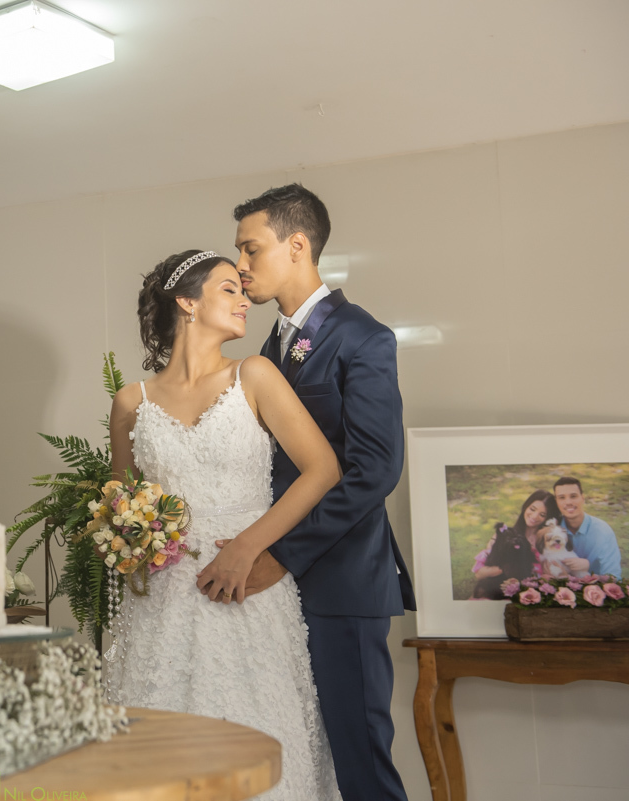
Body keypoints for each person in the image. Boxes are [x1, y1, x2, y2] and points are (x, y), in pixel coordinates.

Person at [105, 249, 344, 800]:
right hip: (161, 600)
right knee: (158, 755)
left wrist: (246, 547)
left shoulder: (254, 376)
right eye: (229, 290)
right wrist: (126, 541)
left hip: (246, 587)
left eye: (243, 290)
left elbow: (323, 469)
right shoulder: (129, 402)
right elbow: (121, 507)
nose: (245, 301)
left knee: (257, 741)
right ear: (187, 303)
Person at [219, 184, 416, 801]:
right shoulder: (270, 347)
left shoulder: (364, 336)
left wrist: (281, 554)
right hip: (275, 596)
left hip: (343, 582)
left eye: (251, 250)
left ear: (297, 245)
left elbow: (374, 468)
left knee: (359, 761)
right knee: (305, 758)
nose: (242, 266)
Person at [471, 489, 557, 591]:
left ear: (548, 518)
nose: (534, 516)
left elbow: (552, 575)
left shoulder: (548, 542)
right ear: (526, 506)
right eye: (532, 509)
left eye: (542, 515)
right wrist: (507, 569)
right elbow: (480, 574)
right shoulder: (505, 536)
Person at [553, 476, 622, 579]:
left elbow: (613, 576)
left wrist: (588, 566)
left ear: (582, 498)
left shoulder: (603, 531)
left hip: (598, 589)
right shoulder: (552, 531)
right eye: (562, 497)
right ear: (556, 501)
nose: (568, 502)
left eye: (573, 496)